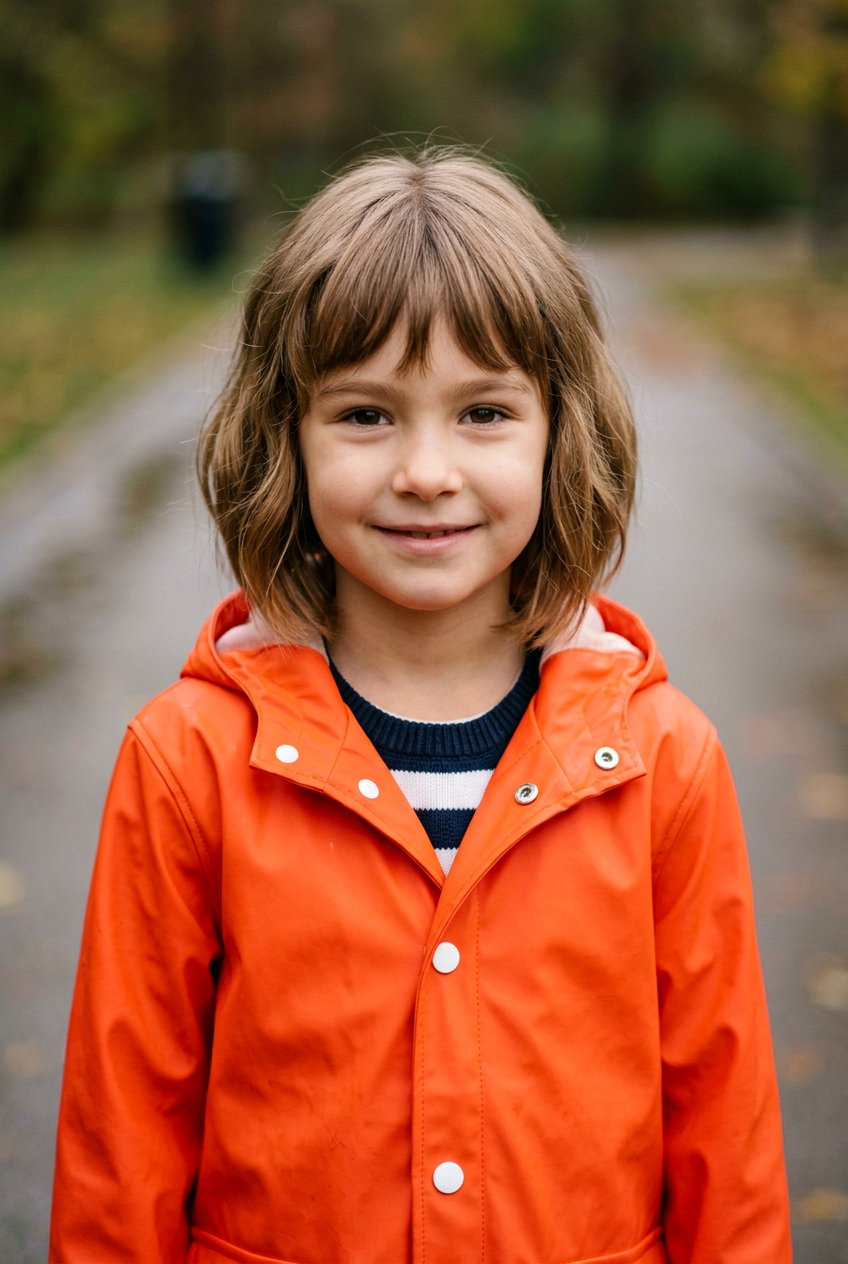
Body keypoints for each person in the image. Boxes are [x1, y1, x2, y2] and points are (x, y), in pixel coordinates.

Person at [49, 148, 792, 1264]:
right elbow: (121, 1139)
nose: (426, 470)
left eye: (483, 411)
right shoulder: (188, 757)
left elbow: (723, 1125)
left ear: (560, 431)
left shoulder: (659, 756)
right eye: (365, 415)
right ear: (284, 439)